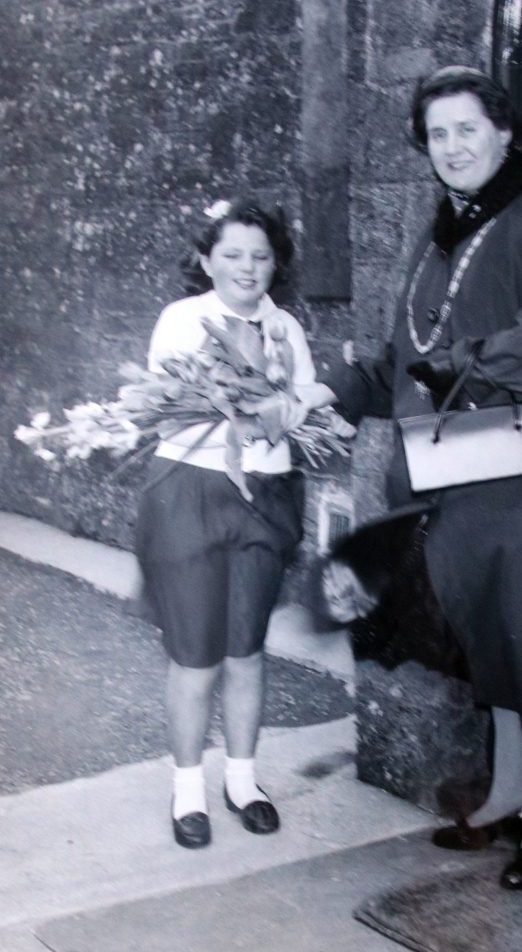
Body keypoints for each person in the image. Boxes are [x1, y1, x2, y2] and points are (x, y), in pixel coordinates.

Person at [294, 66, 522, 889]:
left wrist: (457, 366)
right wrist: (331, 393)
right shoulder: (440, 229)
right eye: (437, 135)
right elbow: (403, 352)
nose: (452, 147)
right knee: (493, 634)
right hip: (467, 475)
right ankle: (511, 788)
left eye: (466, 129)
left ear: (503, 131)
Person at [135, 197, 315, 849]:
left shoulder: (287, 330)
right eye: (233, 254)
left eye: (261, 256)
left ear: (277, 265)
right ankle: (188, 792)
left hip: (263, 496)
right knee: (196, 657)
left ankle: (243, 781)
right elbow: (172, 406)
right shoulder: (182, 321)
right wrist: (246, 399)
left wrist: (286, 406)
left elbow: (301, 414)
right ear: (207, 260)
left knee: (246, 650)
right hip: (190, 492)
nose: (247, 268)